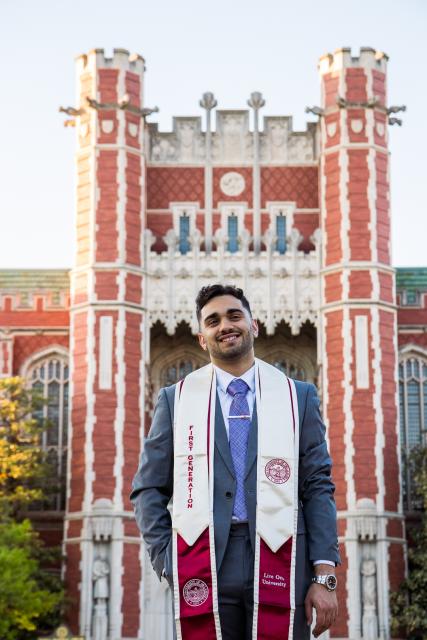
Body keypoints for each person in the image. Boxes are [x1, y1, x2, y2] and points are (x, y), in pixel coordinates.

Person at [131, 284, 339, 639]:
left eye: (234, 315)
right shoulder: (176, 401)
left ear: (253, 325)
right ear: (202, 338)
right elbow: (148, 488)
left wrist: (325, 576)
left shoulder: (297, 397)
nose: (225, 325)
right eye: (213, 321)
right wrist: (167, 558)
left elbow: (317, 486)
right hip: (204, 559)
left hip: (283, 559)